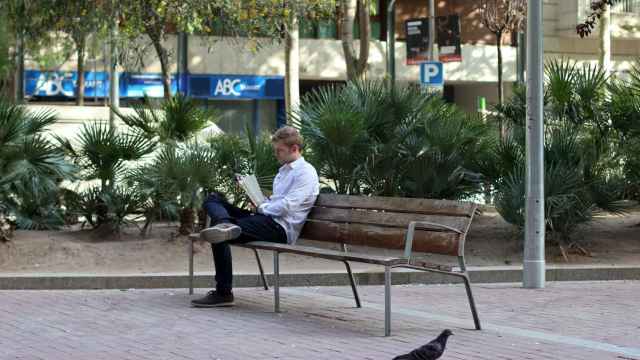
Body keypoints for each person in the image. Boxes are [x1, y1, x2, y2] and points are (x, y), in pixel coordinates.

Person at [191, 126, 319, 307]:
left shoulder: (305, 172)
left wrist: (262, 207)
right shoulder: (283, 172)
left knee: (218, 235)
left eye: (279, 151)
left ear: (295, 149)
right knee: (213, 199)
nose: (277, 155)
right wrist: (259, 201)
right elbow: (276, 202)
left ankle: (223, 292)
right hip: (265, 219)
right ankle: (226, 224)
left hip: (280, 228)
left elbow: (288, 206)